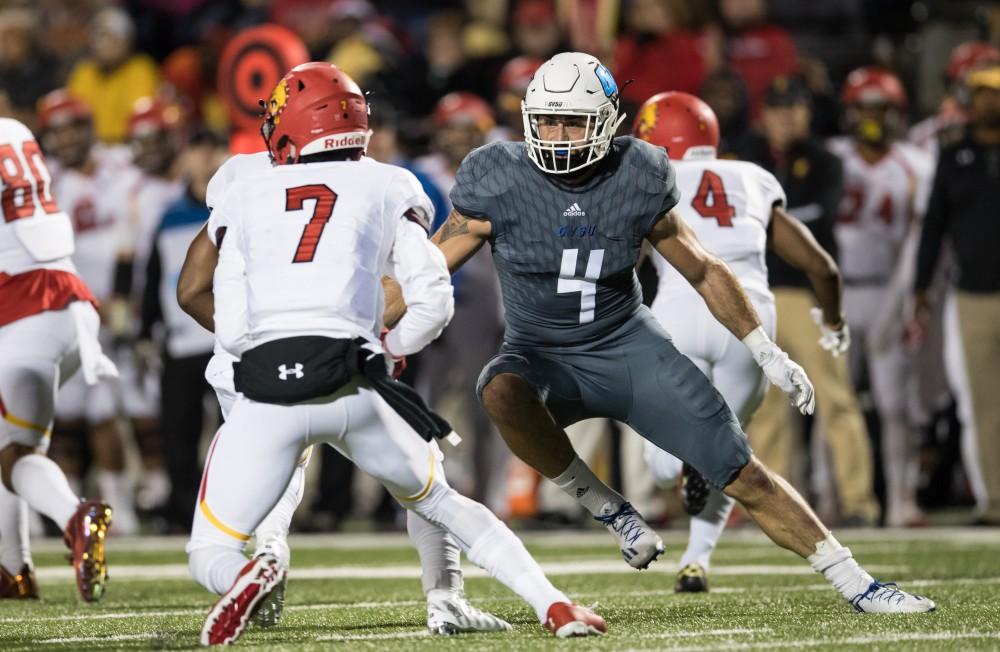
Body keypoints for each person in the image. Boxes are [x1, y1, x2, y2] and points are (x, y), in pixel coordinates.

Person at [384, 51, 934, 614]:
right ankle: (610, 510)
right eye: (546, 119)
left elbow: (702, 267)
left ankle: (860, 585)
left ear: (605, 121)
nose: (556, 133)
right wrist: (366, 327)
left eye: (572, 120)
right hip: (540, 351)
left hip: (627, 346)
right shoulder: (497, 173)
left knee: (743, 471)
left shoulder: (637, 171)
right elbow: (430, 266)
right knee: (497, 388)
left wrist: (762, 347)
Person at [181, 62, 604, 644]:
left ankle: (250, 569)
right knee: (444, 502)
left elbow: (226, 317)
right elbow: (431, 294)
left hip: (265, 386)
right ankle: (553, 605)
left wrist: (260, 349)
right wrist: (389, 348)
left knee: (208, 548)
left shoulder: (244, 186)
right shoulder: (387, 181)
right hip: (355, 378)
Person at [632, 90, 853, 591]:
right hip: (751, 320)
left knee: (664, 461)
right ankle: (697, 561)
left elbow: (627, 259)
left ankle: (684, 464)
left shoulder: (651, 177)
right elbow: (823, 268)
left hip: (681, 309)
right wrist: (834, 324)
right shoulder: (753, 177)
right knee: (730, 451)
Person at [741, 76, 879, 526]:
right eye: (778, 107)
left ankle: (858, 502)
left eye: (794, 107)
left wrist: (761, 221)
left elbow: (818, 217)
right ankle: (780, 509)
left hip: (806, 294)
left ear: (806, 112)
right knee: (767, 408)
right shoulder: (749, 155)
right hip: (759, 294)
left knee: (835, 399)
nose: (785, 116)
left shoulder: (825, 161)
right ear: (765, 113)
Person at [0, 116, 115, 601]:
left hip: (25, 310)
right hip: (71, 302)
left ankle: (74, 518)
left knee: (15, 456)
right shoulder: (12, 129)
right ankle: (14, 572)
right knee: (10, 444)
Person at [827, 67, 934, 528]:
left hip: (887, 289)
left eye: (881, 109)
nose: (872, 119)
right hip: (837, 288)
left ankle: (902, 499)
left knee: (894, 404)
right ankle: (827, 498)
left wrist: (903, 300)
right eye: (864, 109)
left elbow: (917, 241)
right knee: (833, 399)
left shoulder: (915, 163)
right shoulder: (832, 156)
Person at [38, 90, 141, 536]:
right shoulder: (45, 180)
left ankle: (121, 507)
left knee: (109, 412)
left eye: (72, 127)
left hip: (123, 303)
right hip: (68, 308)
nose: (65, 138)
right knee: (69, 417)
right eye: (56, 131)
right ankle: (74, 511)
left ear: (88, 127)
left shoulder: (122, 165)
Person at [913, 61, 1000, 526]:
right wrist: (920, 287)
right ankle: (993, 502)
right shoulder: (953, 153)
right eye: (983, 93)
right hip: (972, 294)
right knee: (983, 406)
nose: (990, 101)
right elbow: (933, 226)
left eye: (996, 93)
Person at [65, 6, 160, 144]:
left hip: (129, 146)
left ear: (126, 41)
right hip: (89, 148)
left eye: (109, 36)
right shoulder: (84, 71)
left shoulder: (141, 69)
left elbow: (138, 118)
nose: (101, 44)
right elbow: (75, 117)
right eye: (97, 36)